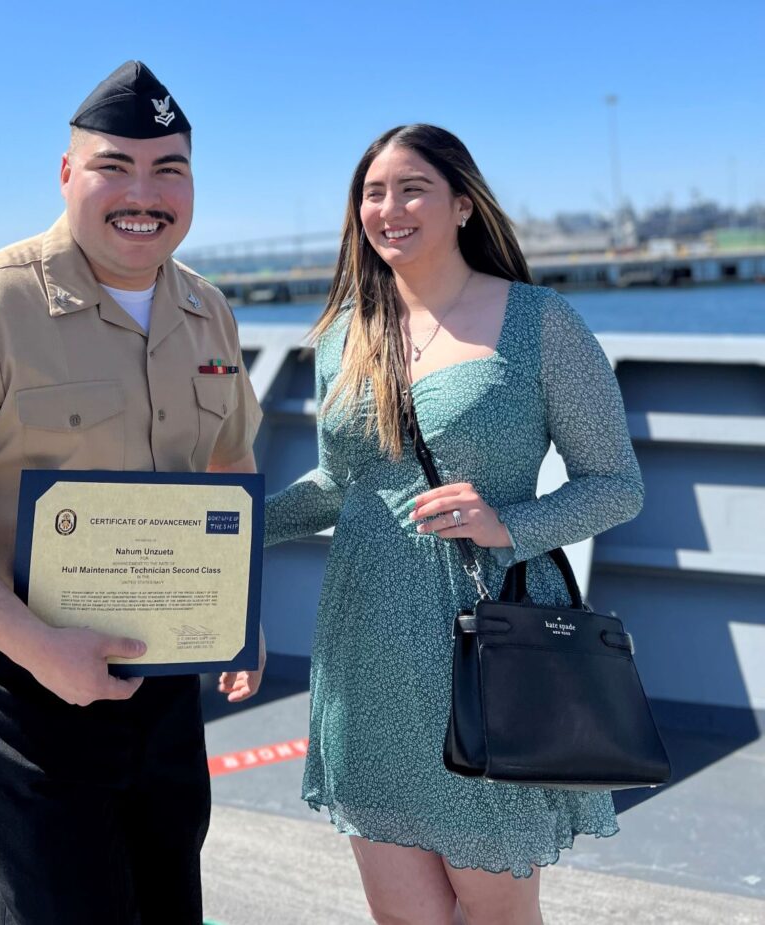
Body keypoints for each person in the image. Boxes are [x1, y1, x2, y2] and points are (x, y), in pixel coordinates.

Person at [0, 61, 264, 924]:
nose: (142, 193)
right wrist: (37, 645)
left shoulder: (208, 312)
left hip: (166, 670)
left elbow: (229, 461)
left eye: (168, 170)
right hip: (16, 679)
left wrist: (238, 612)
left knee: (167, 903)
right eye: (115, 166)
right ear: (68, 173)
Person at [263, 124, 644, 925]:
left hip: (484, 643)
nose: (388, 208)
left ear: (463, 204)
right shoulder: (345, 335)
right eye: (372, 192)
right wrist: (224, 529)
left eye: (411, 189)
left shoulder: (541, 323)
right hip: (364, 646)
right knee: (402, 913)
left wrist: (510, 521)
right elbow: (340, 485)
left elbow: (615, 485)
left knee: (497, 910)